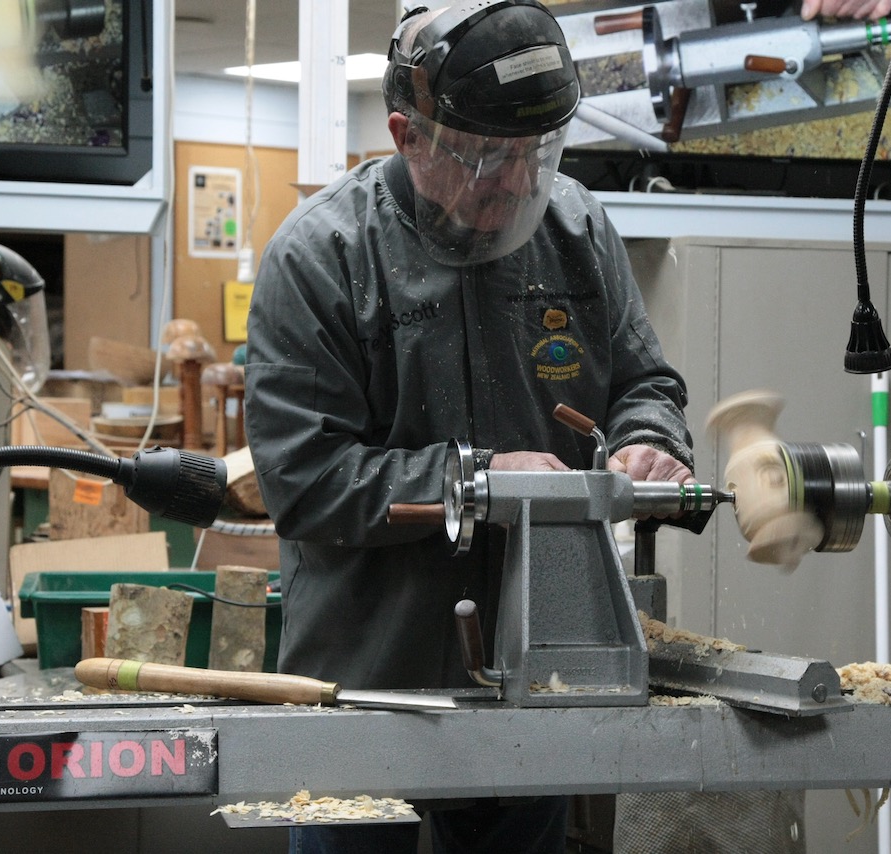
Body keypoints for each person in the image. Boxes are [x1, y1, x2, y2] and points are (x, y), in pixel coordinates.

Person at [244, 2, 694, 851]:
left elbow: (644, 382)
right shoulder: (321, 257)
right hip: (367, 686)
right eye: (489, 157)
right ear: (407, 135)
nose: (519, 183)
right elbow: (303, 480)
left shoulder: (577, 230)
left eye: (537, 154)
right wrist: (475, 480)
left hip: (536, 675)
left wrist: (651, 439)